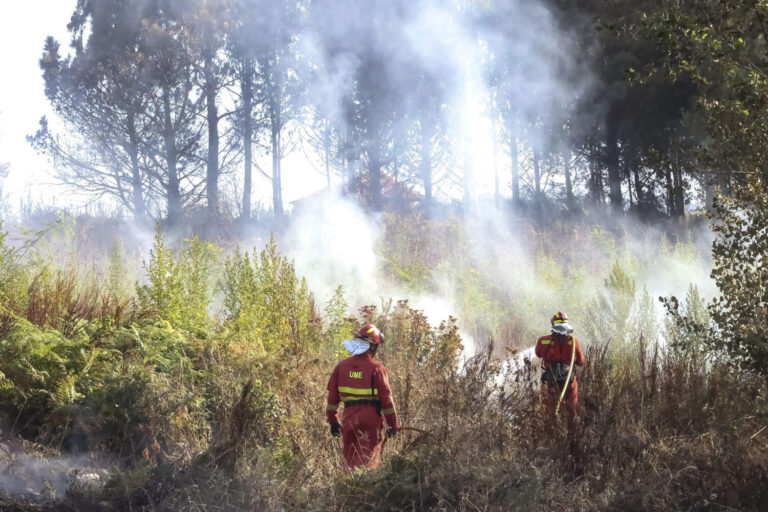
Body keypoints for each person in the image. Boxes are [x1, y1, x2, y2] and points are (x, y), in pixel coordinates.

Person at [326, 323, 401, 472]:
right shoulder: (377, 368)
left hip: (348, 418)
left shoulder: (341, 367)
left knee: (349, 460)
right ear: (372, 346)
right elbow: (387, 401)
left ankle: (348, 489)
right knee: (367, 462)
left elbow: (332, 401)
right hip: (370, 418)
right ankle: (363, 490)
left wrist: (334, 422)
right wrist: (393, 424)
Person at [535, 312, 585, 418]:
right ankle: (572, 430)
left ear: (553, 325)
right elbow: (581, 362)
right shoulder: (574, 341)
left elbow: (538, 354)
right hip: (568, 380)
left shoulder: (543, 340)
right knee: (572, 410)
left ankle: (548, 429)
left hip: (550, 380)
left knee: (548, 410)